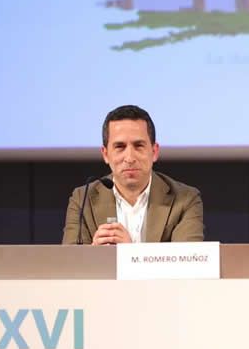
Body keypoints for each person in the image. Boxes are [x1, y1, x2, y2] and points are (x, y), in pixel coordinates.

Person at [63, 105, 204, 245]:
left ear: (154, 151)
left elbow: (189, 259)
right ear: (105, 154)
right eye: (120, 147)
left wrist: (130, 252)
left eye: (138, 146)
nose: (129, 158)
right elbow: (69, 258)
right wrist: (92, 253)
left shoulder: (185, 199)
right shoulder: (82, 199)